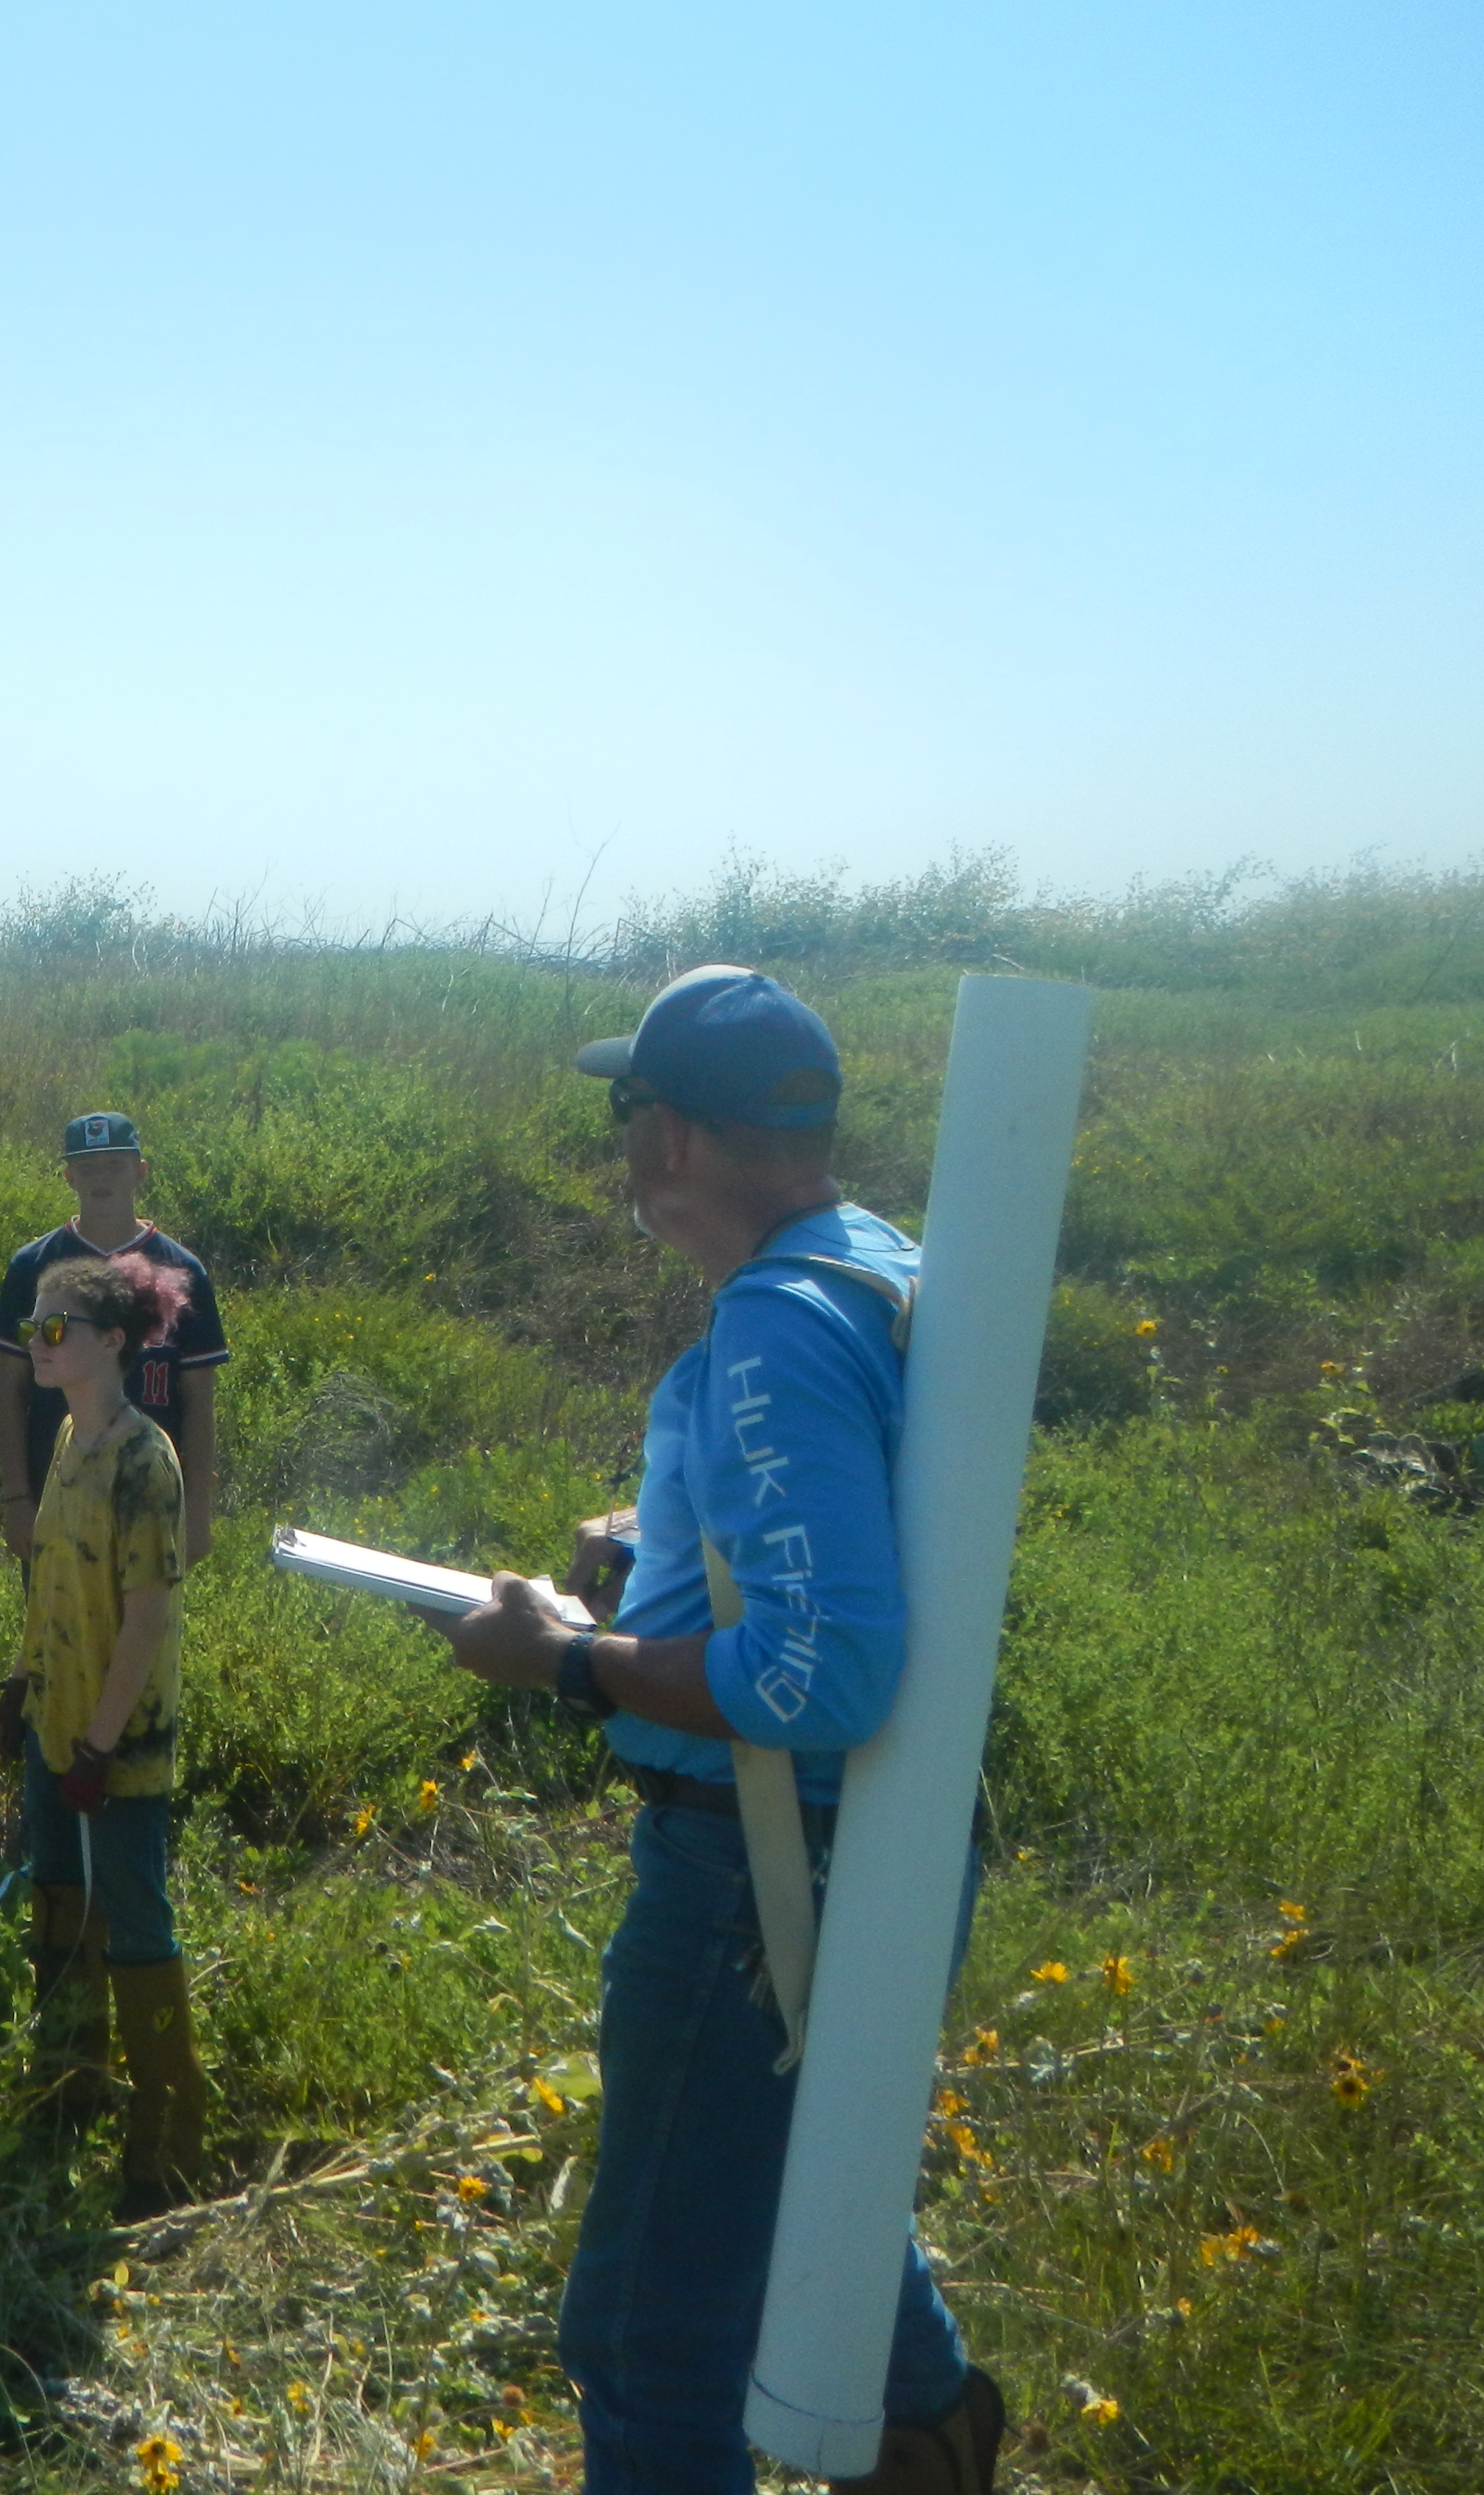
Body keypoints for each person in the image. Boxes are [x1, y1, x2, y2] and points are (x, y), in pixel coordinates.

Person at [430, 967, 1010, 2495]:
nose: (621, 1149)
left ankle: (924, 2438)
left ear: (670, 1134)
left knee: (645, 2341)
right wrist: (668, 1544)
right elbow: (862, 1521)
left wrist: (569, 1659)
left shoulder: (773, 1325)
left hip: (751, 1874)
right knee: (819, 2193)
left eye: (624, 1114)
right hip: (855, 1850)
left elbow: (820, 1674)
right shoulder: (871, 1266)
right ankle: (934, 2439)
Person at [0, 1247, 205, 2218]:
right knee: (59, 1902)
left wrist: (101, 1747)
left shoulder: (143, 1460)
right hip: (56, 1723)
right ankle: (66, 2083)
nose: (36, 1343)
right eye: (32, 1327)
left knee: (137, 1921)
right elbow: (53, 1585)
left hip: (119, 1742)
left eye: (54, 1328)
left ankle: (165, 2148)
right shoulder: (69, 1443)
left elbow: (147, 1617)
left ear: (112, 1342)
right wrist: (22, 1682)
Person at [0, 1112, 226, 1571]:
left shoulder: (183, 1269)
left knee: (145, 1611)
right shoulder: (34, 1264)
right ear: (69, 1177)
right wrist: (16, 1498)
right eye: (88, 1167)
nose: (101, 1178)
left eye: (115, 1165)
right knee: (57, 1613)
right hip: (56, 1484)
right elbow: (10, 1390)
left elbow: (199, 1400)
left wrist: (197, 1510)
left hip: (150, 1487)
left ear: (140, 1171)